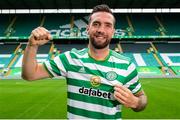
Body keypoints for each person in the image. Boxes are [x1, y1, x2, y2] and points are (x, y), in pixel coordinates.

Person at [22, 4, 147, 119]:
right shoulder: (70, 59)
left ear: (113, 32)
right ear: (88, 28)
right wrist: (32, 46)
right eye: (96, 24)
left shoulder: (127, 65)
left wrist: (136, 102)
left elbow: (142, 98)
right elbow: (30, 74)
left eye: (107, 25)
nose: (101, 30)